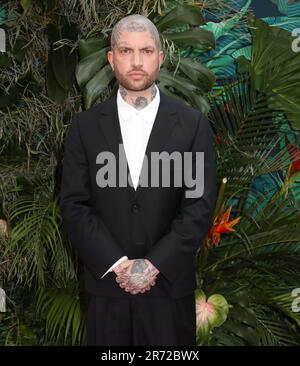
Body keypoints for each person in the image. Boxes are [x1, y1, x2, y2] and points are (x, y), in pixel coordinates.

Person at [60, 14, 217, 346]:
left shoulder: (192, 126)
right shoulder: (84, 128)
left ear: (160, 58)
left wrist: (153, 265)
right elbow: (75, 206)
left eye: (146, 51)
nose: (136, 61)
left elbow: (199, 207)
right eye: (126, 50)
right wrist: (119, 265)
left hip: (170, 292)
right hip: (106, 293)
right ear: (111, 59)